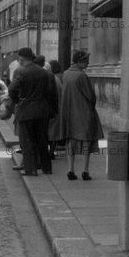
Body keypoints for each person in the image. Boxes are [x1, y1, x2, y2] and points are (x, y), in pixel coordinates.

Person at [8, 47, 58, 176]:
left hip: (26, 111)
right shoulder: (46, 73)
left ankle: (31, 169)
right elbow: (53, 94)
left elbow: (12, 89)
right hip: (43, 112)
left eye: (18, 58)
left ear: (22, 58)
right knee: (42, 141)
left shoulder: (20, 72)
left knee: (27, 142)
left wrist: (17, 100)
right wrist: (53, 110)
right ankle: (47, 168)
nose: (18, 61)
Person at [58, 50, 103, 181]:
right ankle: (85, 170)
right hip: (83, 113)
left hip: (69, 114)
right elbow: (91, 96)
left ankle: (70, 169)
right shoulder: (81, 76)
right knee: (86, 142)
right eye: (86, 61)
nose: (88, 64)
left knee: (70, 142)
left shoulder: (65, 74)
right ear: (80, 61)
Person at [47, 59, 64, 159]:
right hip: (58, 109)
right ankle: (52, 152)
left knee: (49, 133)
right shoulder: (58, 79)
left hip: (52, 109)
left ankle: (50, 153)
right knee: (54, 134)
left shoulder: (52, 79)